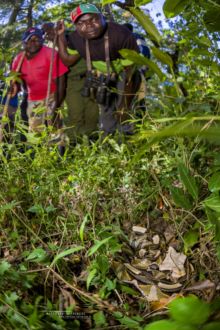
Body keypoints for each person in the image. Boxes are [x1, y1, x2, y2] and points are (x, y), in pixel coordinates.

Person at [57, 3, 141, 137]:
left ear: (102, 17)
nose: (89, 25)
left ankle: (129, 141)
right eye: (81, 23)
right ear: (76, 27)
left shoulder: (121, 35)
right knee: (106, 113)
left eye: (94, 19)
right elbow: (67, 60)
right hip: (103, 75)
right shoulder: (76, 39)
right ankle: (109, 145)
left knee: (124, 114)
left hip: (124, 73)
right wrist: (61, 36)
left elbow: (129, 73)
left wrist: (124, 104)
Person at [42, 22, 99, 144]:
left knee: (92, 113)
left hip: (88, 78)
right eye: (45, 33)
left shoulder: (72, 38)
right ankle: (74, 143)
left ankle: (91, 141)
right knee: (75, 114)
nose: (48, 34)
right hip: (69, 83)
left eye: (50, 30)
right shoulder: (47, 48)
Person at [11, 27, 68, 134]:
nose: (33, 43)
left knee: (55, 127)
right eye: (30, 39)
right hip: (33, 98)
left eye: (37, 40)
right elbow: (14, 80)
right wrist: (14, 87)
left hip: (52, 95)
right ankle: (39, 149)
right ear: (24, 42)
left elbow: (61, 82)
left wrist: (56, 105)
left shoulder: (51, 54)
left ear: (42, 41)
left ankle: (58, 147)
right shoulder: (18, 59)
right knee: (35, 130)